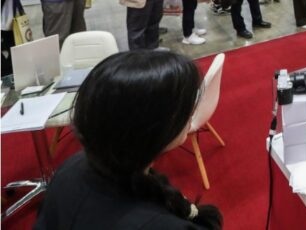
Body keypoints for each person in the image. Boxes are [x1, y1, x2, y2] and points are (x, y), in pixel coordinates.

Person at [35, 52, 223, 229]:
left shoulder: (72, 166)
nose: (191, 110)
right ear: (151, 127)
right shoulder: (159, 224)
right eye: (183, 104)